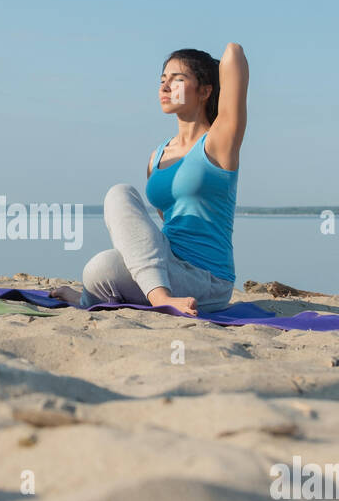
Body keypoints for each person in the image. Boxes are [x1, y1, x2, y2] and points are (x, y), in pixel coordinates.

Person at [51, 44, 248, 317]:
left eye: (177, 80)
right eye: (162, 81)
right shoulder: (157, 156)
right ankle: (101, 297)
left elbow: (234, 56)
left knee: (105, 266)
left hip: (208, 279)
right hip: (167, 266)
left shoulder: (219, 143)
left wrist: (229, 49)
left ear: (205, 91)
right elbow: (163, 223)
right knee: (102, 257)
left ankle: (159, 297)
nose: (165, 88)